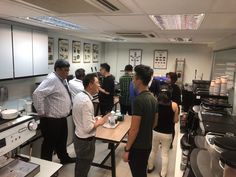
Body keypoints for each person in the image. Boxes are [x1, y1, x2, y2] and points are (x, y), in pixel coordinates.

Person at [33, 59, 75, 164]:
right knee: (49, 144)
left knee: (62, 140)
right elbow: (37, 94)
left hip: (61, 118)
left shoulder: (62, 79)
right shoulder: (51, 79)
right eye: (65, 70)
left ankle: (64, 158)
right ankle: (47, 166)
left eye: (68, 70)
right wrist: (41, 112)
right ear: (57, 69)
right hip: (51, 119)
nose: (67, 73)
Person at [122, 65, 158, 177]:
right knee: (141, 172)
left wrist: (127, 149)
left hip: (138, 147)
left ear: (139, 80)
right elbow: (155, 123)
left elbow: (134, 129)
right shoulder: (153, 98)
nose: (133, 80)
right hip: (147, 143)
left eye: (134, 78)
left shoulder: (138, 101)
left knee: (138, 173)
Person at [73, 73, 109, 177]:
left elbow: (82, 118)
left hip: (78, 137)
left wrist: (94, 119)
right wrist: (101, 121)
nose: (99, 85)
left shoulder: (79, 96)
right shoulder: (86, 102)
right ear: (90, 84)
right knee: (84, 167)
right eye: (97, 83)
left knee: (80, 164)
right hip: (85, 142)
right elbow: (88, 128)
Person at [148, 88, 179, 177]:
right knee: (165, 154)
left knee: (153, 150)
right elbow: (175, 120)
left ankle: (150, 168)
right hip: (168, 133)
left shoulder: (155, 104)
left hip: (156, 131)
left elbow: (153, 119)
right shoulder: (174, 105)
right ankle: (163, 174)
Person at [166, 72, 181, 148]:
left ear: (173, 79)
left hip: (173, 109)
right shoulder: (165, 86)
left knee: (172, 127)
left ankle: (170, 143)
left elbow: (178, 101)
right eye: (167, 77)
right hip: (165, 108)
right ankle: (165, 142)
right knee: (165, 125)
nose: (167, 79)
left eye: (168, 77)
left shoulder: (176, 88)